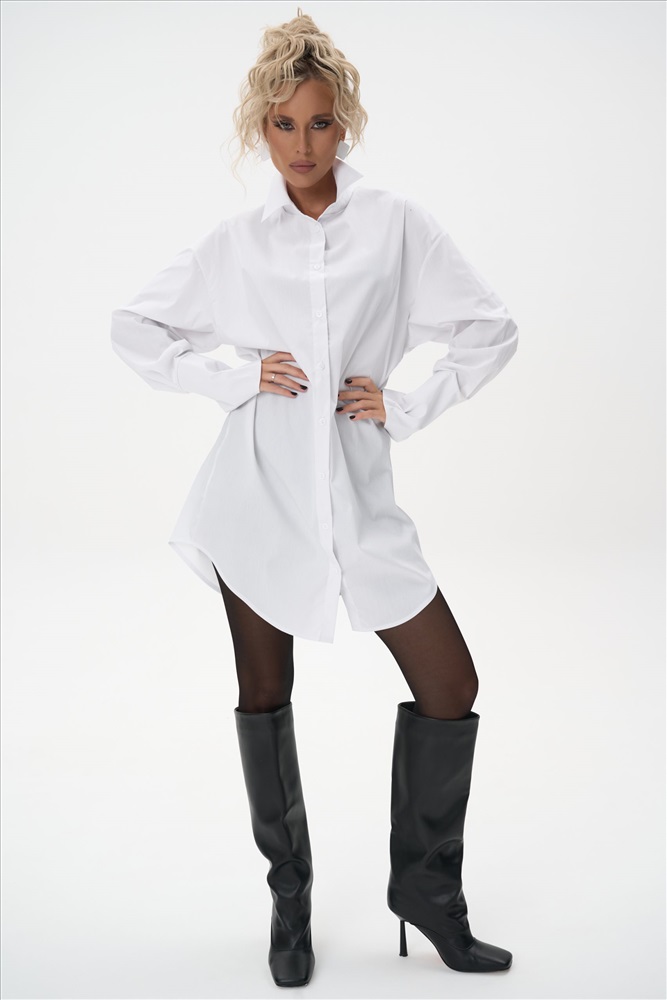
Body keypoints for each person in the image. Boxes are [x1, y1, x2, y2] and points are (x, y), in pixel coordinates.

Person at [110, 7, 518, 990]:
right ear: (261, 127)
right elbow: (134, 327)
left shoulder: (396, 224)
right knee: (265, 693)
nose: (302, 145)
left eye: (321, 123)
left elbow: (488, 329)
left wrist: (403, 405)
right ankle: (288, 899)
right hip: (255, 497)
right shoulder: (236, 241)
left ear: (346, 124)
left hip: (360, 500)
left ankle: (427, 892)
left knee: (450, 686)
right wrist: (234, 377)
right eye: (284, 124)